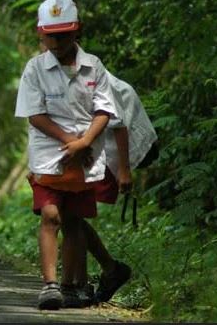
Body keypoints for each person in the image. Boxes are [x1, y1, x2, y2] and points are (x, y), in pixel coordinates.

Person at [14, 0, 118, 310]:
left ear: (77, 31)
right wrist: (69, 141)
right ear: (40, 34)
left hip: (85, 157)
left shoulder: (93, 66)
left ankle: (72, 286)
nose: (57, 42)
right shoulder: (35, 68)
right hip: (50, 155)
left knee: (74, 220)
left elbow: (105, 109)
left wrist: (85, 142)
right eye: (51, 35)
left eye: (64, 34)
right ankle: (49, 284)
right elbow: (35, 114)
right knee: (51, 214)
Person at [73, 71, 158, 305]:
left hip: (111, 142)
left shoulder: (85, 71)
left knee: (72, 213)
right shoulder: (53, 69)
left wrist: (124, 169)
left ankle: (82, 284)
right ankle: (105, 272)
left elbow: (118, 123)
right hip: (92, 145)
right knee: (71, 213)